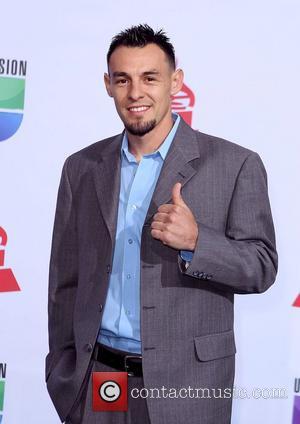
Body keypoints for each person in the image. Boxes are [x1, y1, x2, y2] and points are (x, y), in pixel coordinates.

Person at [46, 24, 278, 424]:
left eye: (149, 78)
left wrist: (196, 241)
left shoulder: (235, 164)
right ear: (108, 84)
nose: (136, 93)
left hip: (187, 386)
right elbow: (64, 283)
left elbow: (262, 266)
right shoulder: (81, 169)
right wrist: (63, 373)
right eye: (123, 79)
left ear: (176, 82)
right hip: (102, 379)